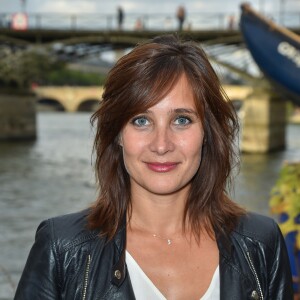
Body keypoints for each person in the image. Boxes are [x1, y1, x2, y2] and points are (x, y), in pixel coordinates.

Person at [14, 34, 293, 299]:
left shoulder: (261, 244)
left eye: (181, 120)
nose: (161, 145)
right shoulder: (62, 249)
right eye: (141, 120)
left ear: (208, 131)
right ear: (118, 134)